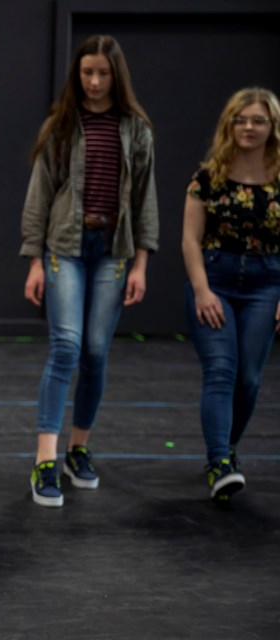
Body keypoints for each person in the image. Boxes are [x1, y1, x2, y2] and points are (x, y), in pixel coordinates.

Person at [19, 35, 159, 508]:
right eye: (86, 73)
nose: (95, 82)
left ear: (116, 76)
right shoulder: (61, 126)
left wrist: (141, 261)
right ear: (76, 76)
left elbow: (145, 199)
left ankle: (78, 448)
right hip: (65, 246)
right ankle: (45, 459)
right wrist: (35, 259)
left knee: (96, 353)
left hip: (113, 250)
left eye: (103, 73)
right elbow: (40, 194)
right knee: (66, 346)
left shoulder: (136, 129)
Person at [181, 87, 280, 502]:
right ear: (230, 124)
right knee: (221, 370)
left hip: (266, 283)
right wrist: (202, 291)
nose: (249, 127)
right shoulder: (208, 176)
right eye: (241, 119)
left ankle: (228, 448)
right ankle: (220, 460)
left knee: (250, 378)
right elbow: (190, 238)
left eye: (258, 120)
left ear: (272, 126)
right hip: (215, 279)